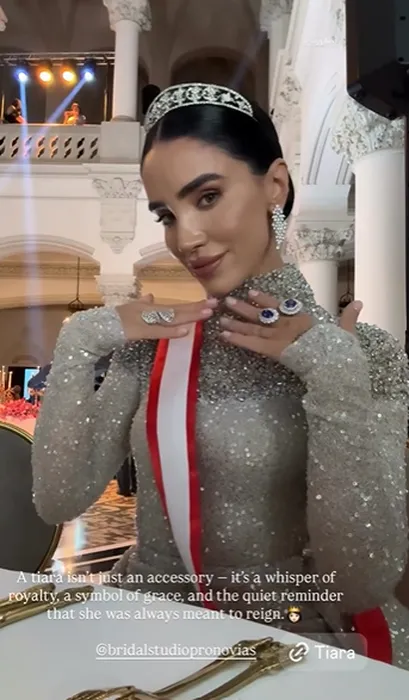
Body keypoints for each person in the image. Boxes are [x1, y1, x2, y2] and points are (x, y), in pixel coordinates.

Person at [32, 83, 409, 667]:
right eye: (167, 215)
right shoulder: (156, 347)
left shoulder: (363, 352)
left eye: (207, 197)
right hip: (146, 629)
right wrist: (81, 339)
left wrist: (333, 375)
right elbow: (59, 499)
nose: (185, 239)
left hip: (285, 642)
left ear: (275, 185)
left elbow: (359, 583)